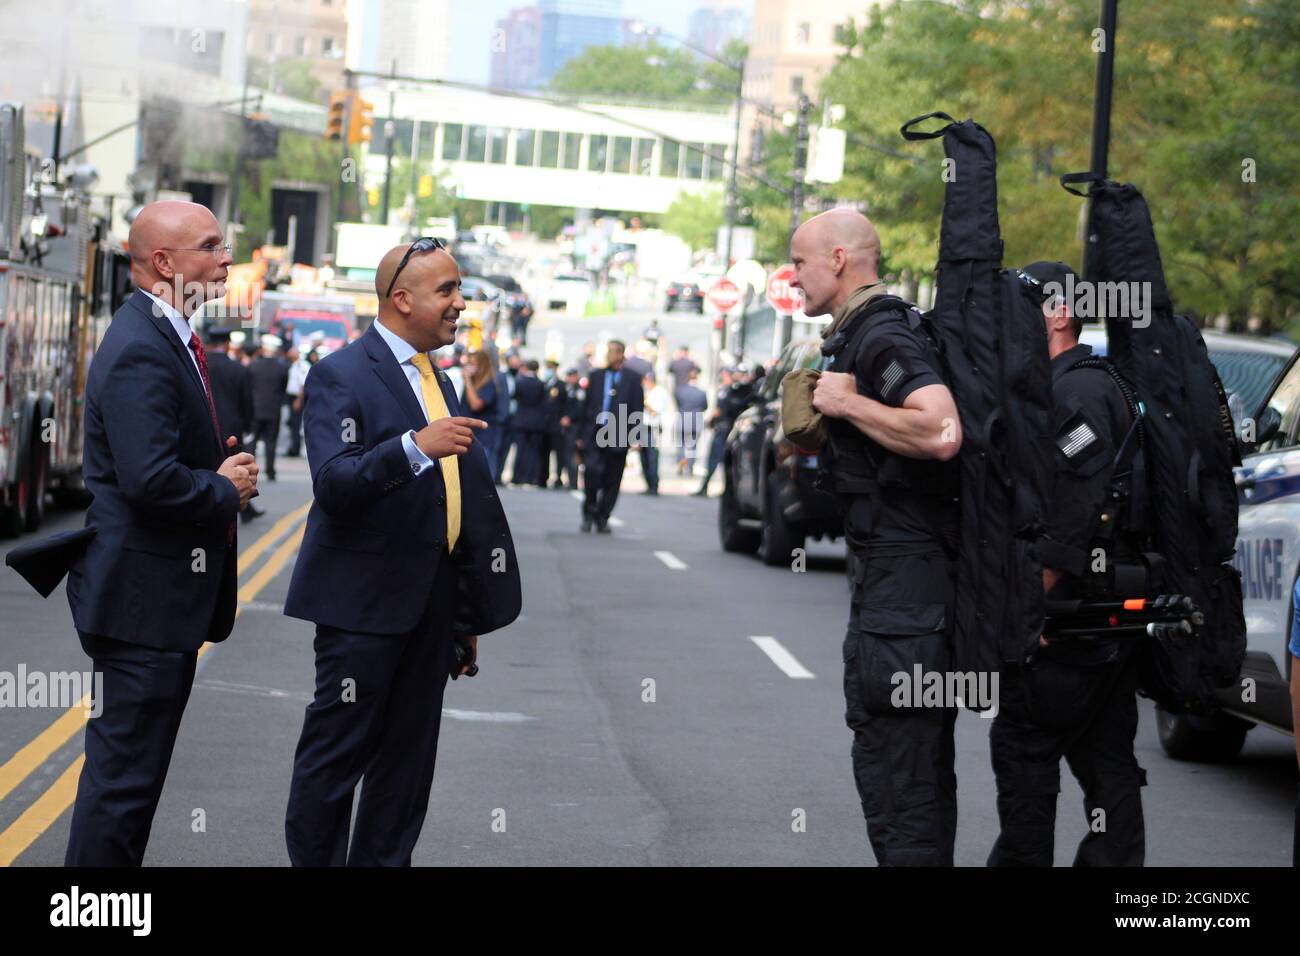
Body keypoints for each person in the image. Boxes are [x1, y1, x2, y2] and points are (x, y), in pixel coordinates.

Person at [283, 238, 520, 867]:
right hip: (361, 610)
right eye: (447, 290)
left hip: (431, 610)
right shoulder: (340, 374)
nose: (460, 304)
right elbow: (335, 484)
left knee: (407, 772)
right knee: (335, 763)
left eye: (459, 289)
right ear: (401, 298)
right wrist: (414, 446)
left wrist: (464, 616)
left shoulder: (435, 376)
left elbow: (454, 506)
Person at [68, 201, 257, 865]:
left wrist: (212, 465)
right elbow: (148, 479)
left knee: (130, 784)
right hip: (144, 606)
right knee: (122, 787)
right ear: (163, 264)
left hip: (154, 602)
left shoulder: (163, 333)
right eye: (210, 247)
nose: (225, 258)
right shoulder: (142, 347)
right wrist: (222, 487)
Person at [798, 208, 963, 866]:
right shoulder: (858, 334)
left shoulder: (882, 334)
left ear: (839, 259)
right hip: (897, 588)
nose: (792, 275)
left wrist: (847, 404)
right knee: (906, 775)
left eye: (801, 262)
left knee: (903, 779)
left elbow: (942, 430)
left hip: (908, 595)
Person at [987, 261, 1148, 867]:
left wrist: (1030, 612)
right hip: (1106, 615)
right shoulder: (1098, 382)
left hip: (1072, 619)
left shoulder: (1074, 391)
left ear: (1057, 314)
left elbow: (1070, 518)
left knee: (1026, 750)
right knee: (1107, 764)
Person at [578, 340, 643, 533]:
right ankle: (589, 512)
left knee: (612, 479)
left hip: (618, 434)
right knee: (591, 473)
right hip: (595, 432)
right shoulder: (596, 376)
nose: (608, 355)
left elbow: (636, 408)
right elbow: (586, 406)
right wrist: (580, 434)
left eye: (612, 352)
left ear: (621, 354)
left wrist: (635, 435)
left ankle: (603, 516)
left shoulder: (632, 378)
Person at [206, 326, 265, 524]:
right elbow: (246, 400)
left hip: (207, 423)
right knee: (236, 470)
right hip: (232, 426)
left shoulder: (200, 363)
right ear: (228, 343)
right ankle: (242, 507)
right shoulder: (237, 368)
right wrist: (249, 425)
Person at [697, 366, 752, 496]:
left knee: (715, 458)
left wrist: (710, 420)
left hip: (723, 428)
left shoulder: (726, 391)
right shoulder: (740, 391)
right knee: (726, 460)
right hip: (731, 428)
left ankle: (707, 487)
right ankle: (723, 489)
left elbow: (718, 411)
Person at [248, 334, 289, 481]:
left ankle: (250, 470)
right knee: (271, 441)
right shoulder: (282, 368)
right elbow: (283, 388)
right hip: (273, 409)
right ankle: (270, 470)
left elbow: (249, 387)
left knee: (252, 441)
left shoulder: (253, 366)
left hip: (255, 409)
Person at [461, 348, 501, 473]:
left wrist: (467, 381)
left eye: (472, 364)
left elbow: (476, 405)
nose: (469, 367)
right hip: (469, 435)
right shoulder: (474, 383)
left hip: (482, 437)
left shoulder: (488, 384)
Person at [510, 359, 547, 486]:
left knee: (520, 449)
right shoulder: (540, 384)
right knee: (532, 451)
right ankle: (529, 478)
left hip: (521, 419)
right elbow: (543, 401)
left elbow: (515, 396)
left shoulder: (520, 382)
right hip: (536, 421)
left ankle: (516, 477)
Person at [674, 369, 708, 477]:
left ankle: (681, 460)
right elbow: (705, 406)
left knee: (681, 444)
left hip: (683, 418)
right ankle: (690, 467)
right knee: (693, 446)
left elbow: (678, 403)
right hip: (696, 421)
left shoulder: (680, 390)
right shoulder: (701, 393)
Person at [640, 372, 668, 496]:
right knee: (643, 457)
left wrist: (644, 402)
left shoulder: (659, 392)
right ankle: (648, 484)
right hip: (643, 426)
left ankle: (654, 485)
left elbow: (654, 411)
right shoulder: (647, 392)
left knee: (652, 457)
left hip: (653, 427)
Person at [557, 368, 584, 490]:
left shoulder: (580, 391)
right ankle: (563, 479)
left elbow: (580, 409)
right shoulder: (566, 389)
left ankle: (573, 482)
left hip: (575, 427)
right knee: (564, 454)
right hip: (565, 426)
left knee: (572, 456)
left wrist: (569, 418)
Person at [285, 342, 312, 458]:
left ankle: (295, 448)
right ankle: (292, 446)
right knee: (292, 423)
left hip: (297, 397)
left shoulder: (302, 365)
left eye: (292, 351)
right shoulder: (293, 365)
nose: (289, 353)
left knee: (296, 424)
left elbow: (303, 384)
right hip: (291, 397)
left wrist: (298, 400)